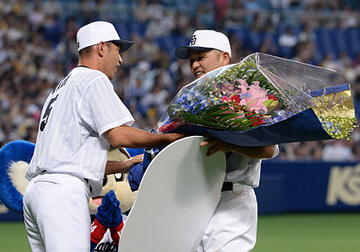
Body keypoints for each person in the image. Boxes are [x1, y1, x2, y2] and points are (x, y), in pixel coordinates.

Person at [22, 21, 185, 252]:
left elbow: (71, 158)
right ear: (101, 48)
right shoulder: (93, 79)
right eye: (117, 50)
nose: (120, 60)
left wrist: (124, 164)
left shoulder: (61, 88)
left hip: (37, 193)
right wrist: (166, 139)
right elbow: (117, 135)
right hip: (62, 193)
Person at [175, 30, 279, 251]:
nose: (194, 65)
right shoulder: (188, 100)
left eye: (201, 57)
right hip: (193, 199)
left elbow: (270, 149)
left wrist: (231, 144)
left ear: (224, 57)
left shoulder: (248, 95)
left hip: (232, 199)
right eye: (191, 60)